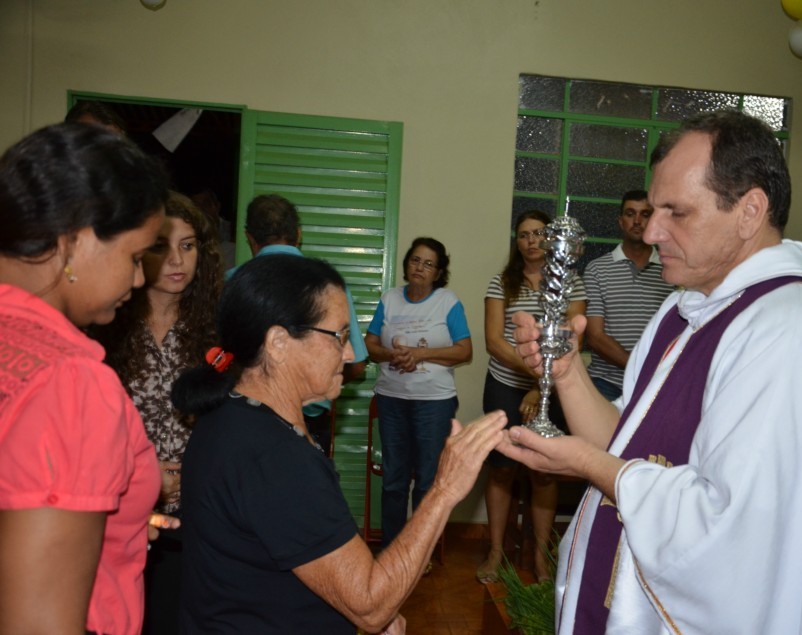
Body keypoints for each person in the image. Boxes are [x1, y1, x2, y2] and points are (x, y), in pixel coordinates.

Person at [498, 111, 802, 633]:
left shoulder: (785, 333)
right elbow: (628, 440)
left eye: (677, 212)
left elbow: (730, 531)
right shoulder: (687, 308)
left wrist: (587, 465)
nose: (651, 231)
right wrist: (565, 372)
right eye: (653, 210)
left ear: (750, 211)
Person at [172, 254, 507, 633]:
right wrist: (445, 490)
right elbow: (370, 603)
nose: (349, 355)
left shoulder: (233, 416)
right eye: (340, 336)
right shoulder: (271, 455)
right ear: (279, 342)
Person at [0, 123, 169, 634]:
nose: (140, 280)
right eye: (136, 257)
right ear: (77, 238)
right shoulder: (68, 382)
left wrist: (114, 522)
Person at [91, 190, 222, 634]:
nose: (176, 261)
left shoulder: (215, 332)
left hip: (195, 508)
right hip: (121, 505)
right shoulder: (108, 325)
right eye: (161, 247)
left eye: (187, 246)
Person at [478, 209, 587, 583]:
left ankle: (540, 558)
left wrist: (539, 386)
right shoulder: (501, 283)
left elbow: (572, 340)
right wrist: (533, 375)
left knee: (543, 472)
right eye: (523, 235)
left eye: (538, 233)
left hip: (552, 391)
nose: (531, 241)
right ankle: (495, 551)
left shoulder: (570, 282)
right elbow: (494, 341)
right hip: (503, 385)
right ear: (517, 241)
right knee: (502, 468)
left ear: (550, 238)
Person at [229, 193, 368, 452]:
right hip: (309, 420)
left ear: (249, 237)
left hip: (242, 420)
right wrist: (315, 384)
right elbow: (356, 365)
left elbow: (215, 359)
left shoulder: (230, 283)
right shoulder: (328, 286)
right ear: (299, 234)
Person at [364, 237, 472, 548]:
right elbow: (371, 345)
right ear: (406, 263)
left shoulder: (447, 301)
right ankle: (391, 546)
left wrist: (419, 354)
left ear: (438, 272)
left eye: (428, 264)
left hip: (434, 403)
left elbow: (465, 351)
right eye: (415, 260)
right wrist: (392, 355)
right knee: (394, 477)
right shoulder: (390, 298)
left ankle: (417, 550)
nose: (419, 267)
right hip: (391, 398)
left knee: (426, 478)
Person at [583, 190, 674, 400]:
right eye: (630, 214)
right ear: (621, 221)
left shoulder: (671, 270)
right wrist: (638, 367)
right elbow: (595, 337)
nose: (637, 221)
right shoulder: (597, 269)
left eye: (645, 214)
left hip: (656, 382)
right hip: (606, 382)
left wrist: (650, 372)